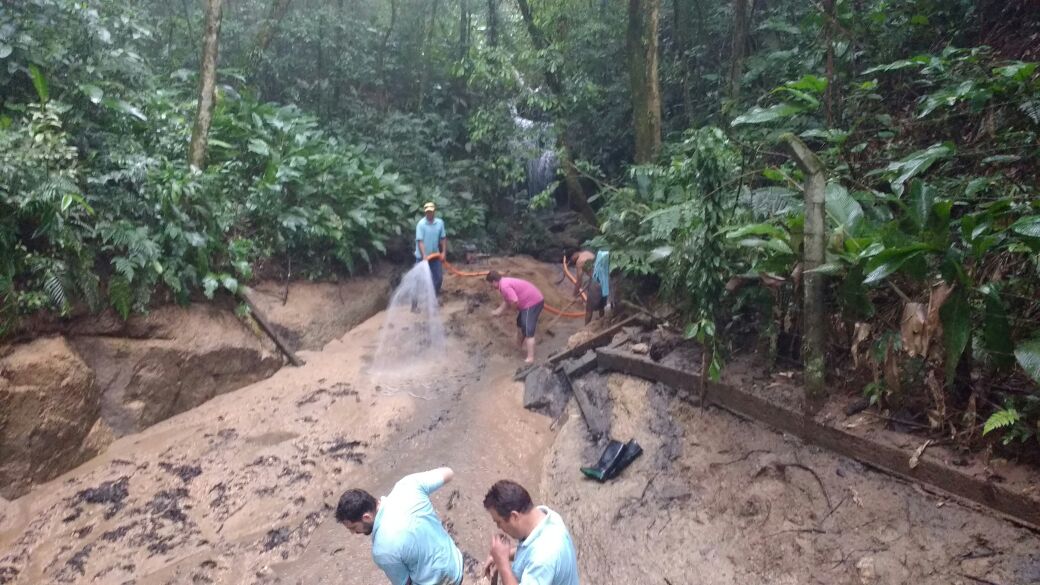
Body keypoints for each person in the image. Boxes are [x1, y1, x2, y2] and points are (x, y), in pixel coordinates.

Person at [336, 467, 464, 585]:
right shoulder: (408, 486)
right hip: (456, 565)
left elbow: (405, 583)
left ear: (367, 517)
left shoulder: (382, 550)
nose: (353, 533)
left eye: (353, 528)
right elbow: (448, 472)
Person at [481, 480, 580, 585]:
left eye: (499, 522)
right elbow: (528, 552)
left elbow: (538, 558)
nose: (498, 527)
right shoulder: (547, 518)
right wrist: (505, 554)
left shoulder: (543, 557)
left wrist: (503, 563)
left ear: (514, 516)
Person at [486, 271, 544, 364]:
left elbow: (514, 301)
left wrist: (513, 310)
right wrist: (497, 312)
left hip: (533, 302)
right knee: (520, 323)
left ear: (494, 282)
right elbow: (506, 301)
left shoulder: (504, 286)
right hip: (529, 301)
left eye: (490, 284)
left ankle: (530, 358)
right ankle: (519, 346)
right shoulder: (503, 283)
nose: (491, 287)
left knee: (528, 329)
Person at [569, 249, 611, 325]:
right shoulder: (587, 253)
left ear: (575, 256)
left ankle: (585, 328)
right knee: (602, 306)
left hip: (596, 281)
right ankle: (602, 324)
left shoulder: (579, 261)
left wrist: (574, 295)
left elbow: (579, 281)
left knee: (589, 309)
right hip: (605, 279)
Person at [415, 202, 447, 297]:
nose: (429, 213)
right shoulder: (421, 224)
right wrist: (424, 255)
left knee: (438, 278)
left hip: (435, 255)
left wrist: (444, 252)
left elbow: (443, 238)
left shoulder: (440, 223)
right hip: (422, 257)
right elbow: (420, 241)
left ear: (434, 212)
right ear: (425, 212)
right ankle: (414, 305)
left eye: (431, 212)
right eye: (427, 212)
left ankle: (433, 298)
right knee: (419, 280)